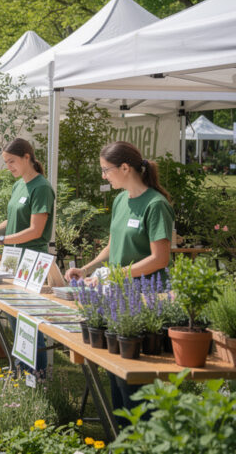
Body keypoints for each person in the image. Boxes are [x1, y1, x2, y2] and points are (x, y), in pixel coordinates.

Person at [65, 141, 174, 422]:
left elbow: (160, 258)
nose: (104, 176)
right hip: (117, 297)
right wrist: (87, 269)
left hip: (145, 300)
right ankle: (123, 437)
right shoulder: (120, 200)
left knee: (135, 382)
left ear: (125, 168)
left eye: (106, 170)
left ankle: (144, 438)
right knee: (115, 374)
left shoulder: (156, 205)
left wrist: (116, 275)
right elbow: (112, 245)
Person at [0, 138, 55, 373]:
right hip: (12, 257)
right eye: (6, 162)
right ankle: (21, 370)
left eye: (12, 161)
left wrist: (0, 241)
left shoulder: (41, 188)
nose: (8, 166)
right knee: (13, 315)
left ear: (27, 157)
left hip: (32, 259)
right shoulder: (19, 185)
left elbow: (35, 230)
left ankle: (36, 374)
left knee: (28, 318)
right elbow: (12, 221)